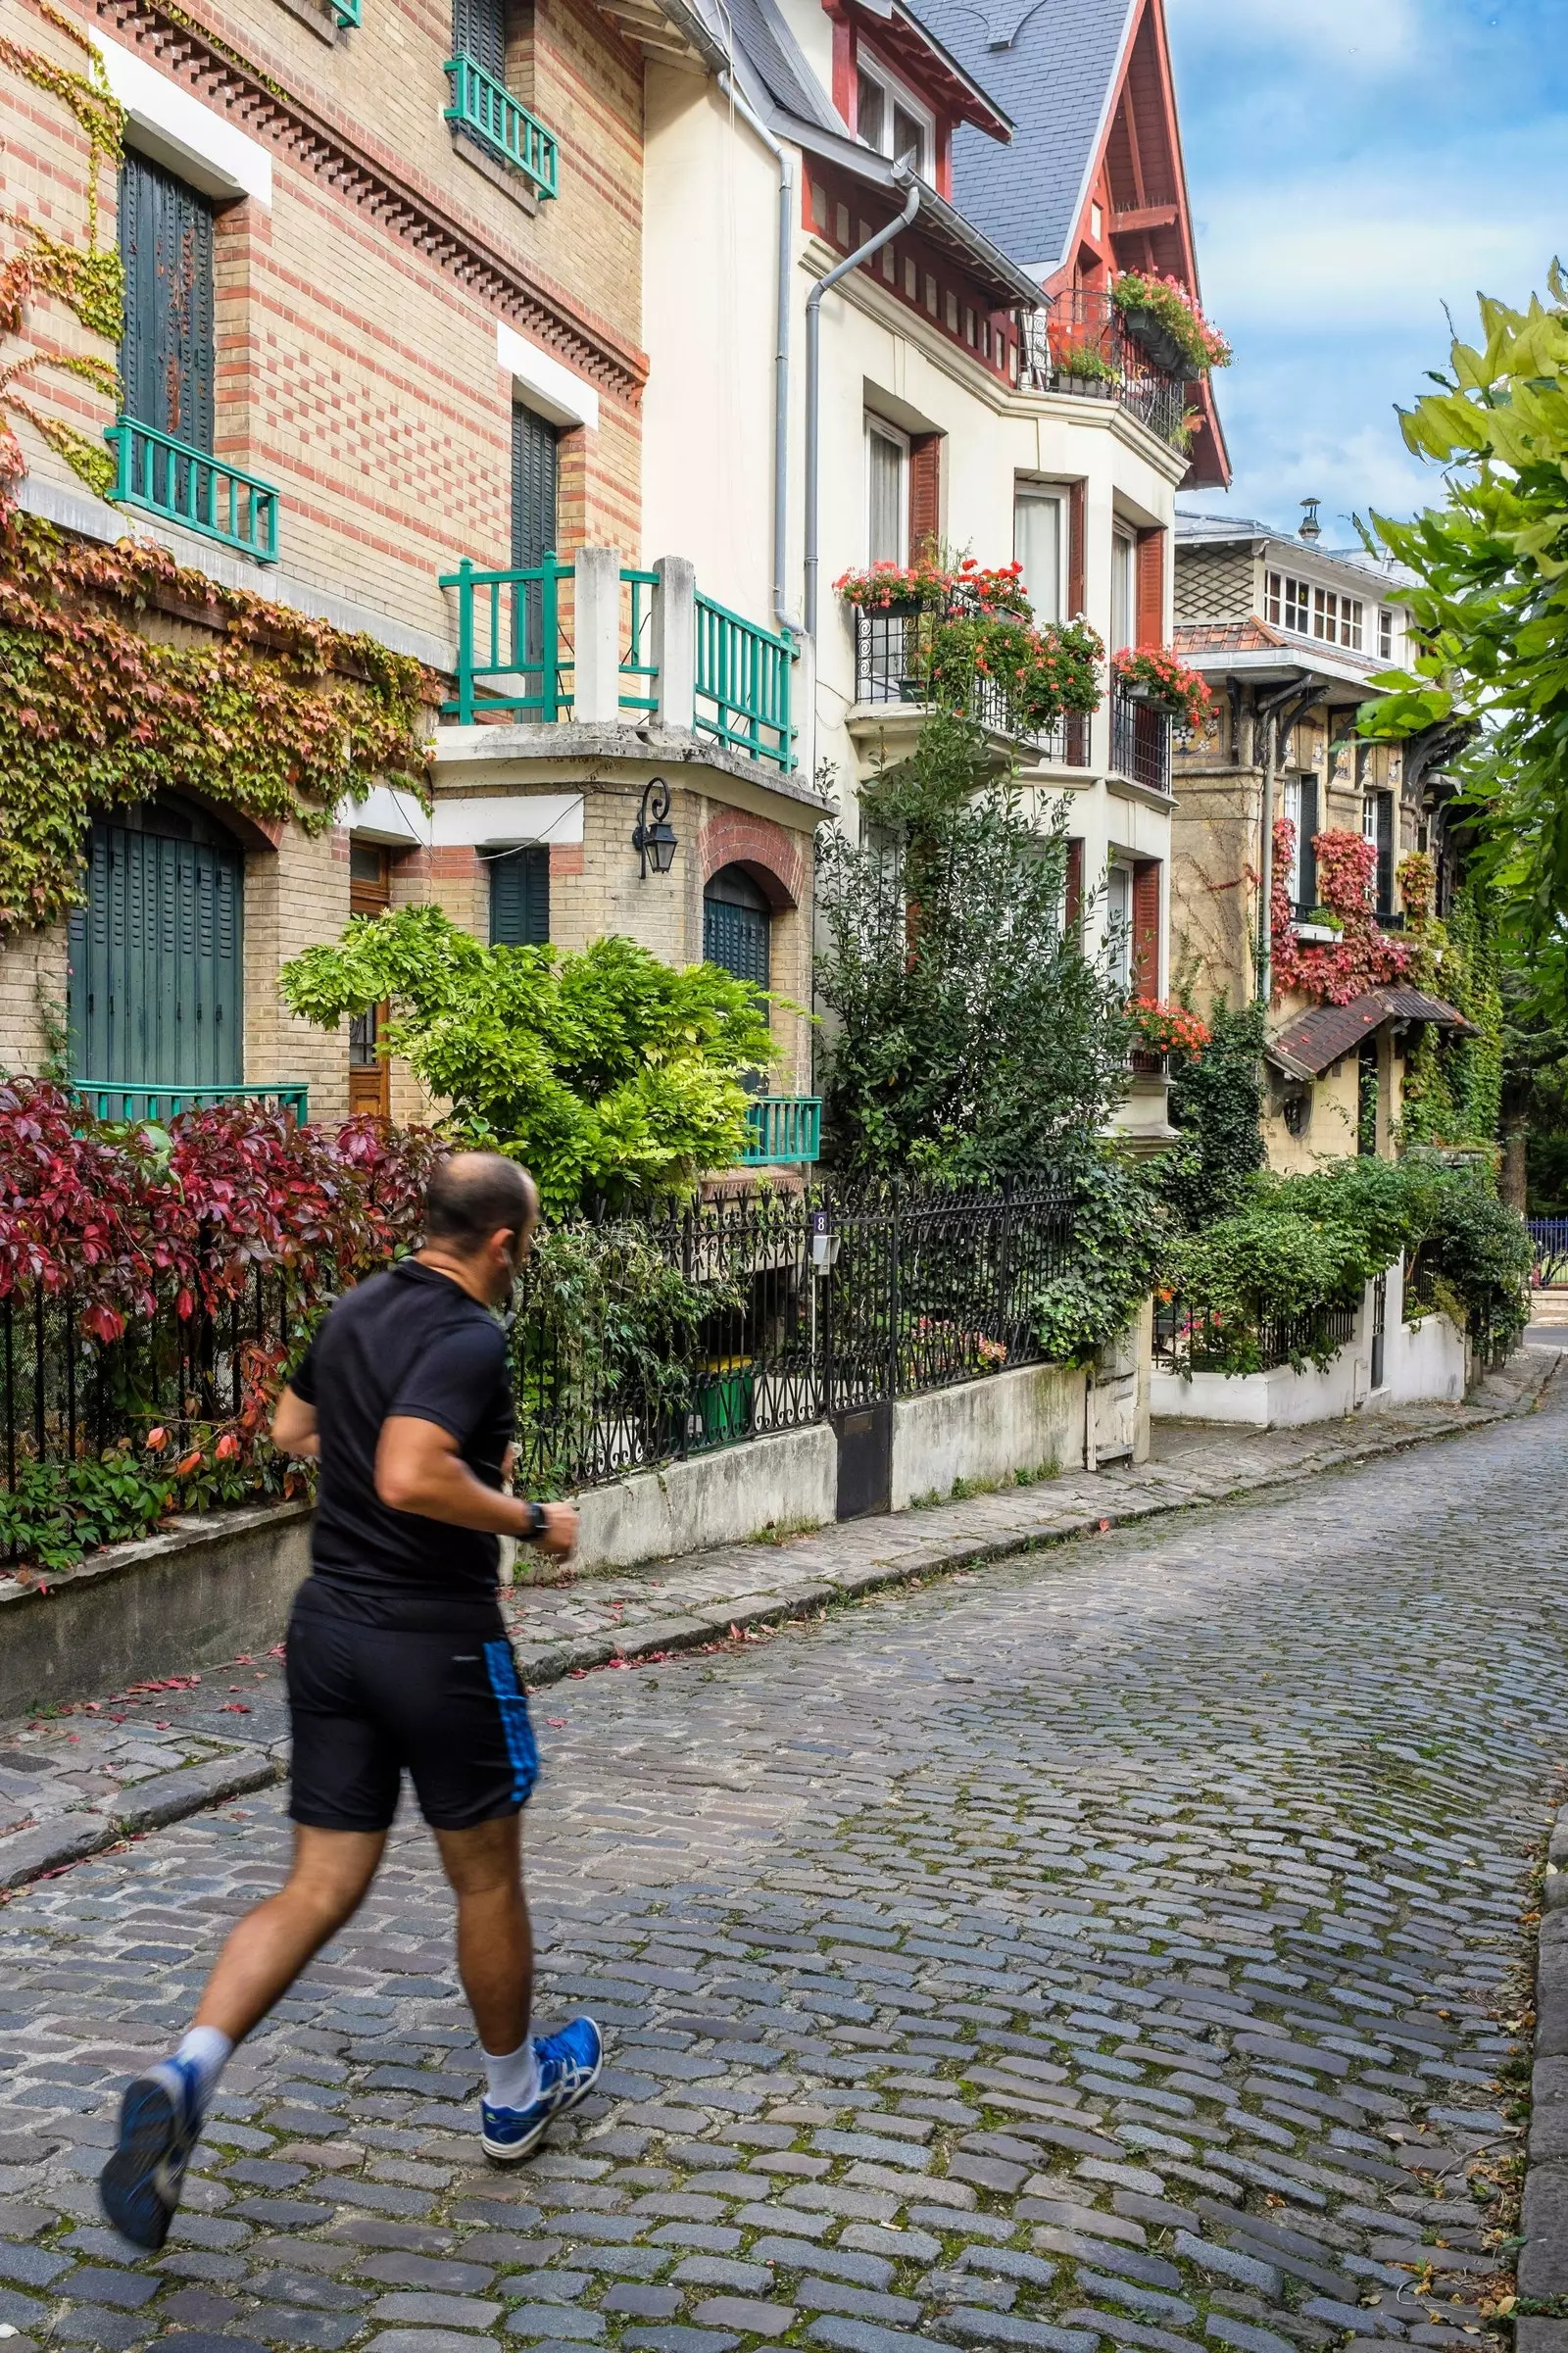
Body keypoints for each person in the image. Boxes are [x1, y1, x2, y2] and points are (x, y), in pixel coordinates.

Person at [100, 1152, 602, 2252]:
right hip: (436, 1641)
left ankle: (189, 2069)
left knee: (320, 1883)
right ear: (503, 1242)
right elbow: (411, 1472)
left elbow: (289, 1429)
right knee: (484, 1876)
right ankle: (515, 2092)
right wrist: (528, 1518)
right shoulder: (471, 1334)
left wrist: (385, 1429)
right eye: (530, 1242)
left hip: (330, 1630)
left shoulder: (356, 1305)